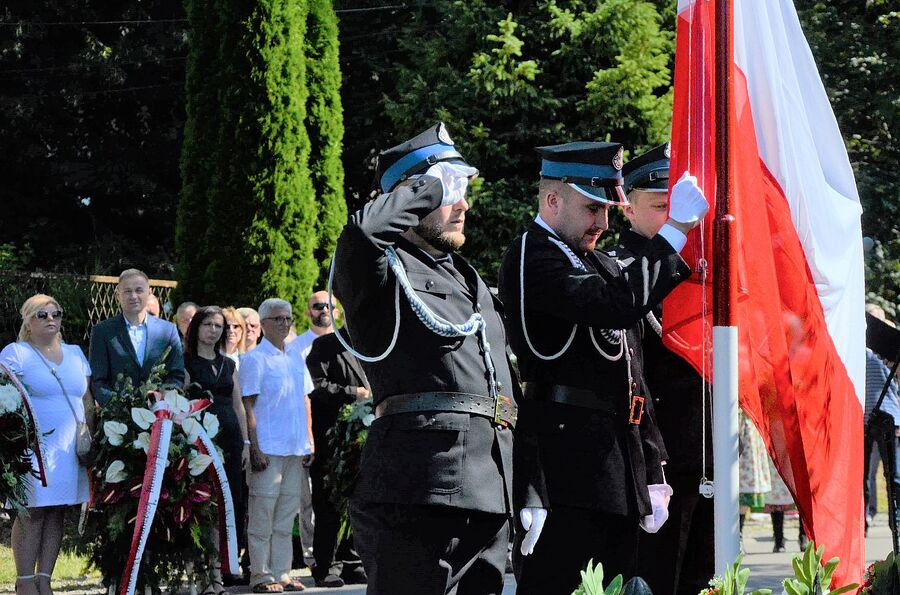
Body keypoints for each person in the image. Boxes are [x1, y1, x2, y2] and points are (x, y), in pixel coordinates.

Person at [497, 141, 708, 594]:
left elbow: (633, 376)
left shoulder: (598, 261)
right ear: (553, 200)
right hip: (562, 468)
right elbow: (613, 306)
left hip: (616, 468)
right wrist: (676, 230)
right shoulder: (532, 254)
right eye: (593, 208)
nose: (604, 223)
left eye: (609, 210)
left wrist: (652, 466)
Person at [332, 123, 522, 594]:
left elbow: (506, 390)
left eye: (463, 189)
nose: (463, 205)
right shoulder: (379, 268)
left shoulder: (467, 277)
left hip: (491, 487)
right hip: (418, 489)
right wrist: (432, 182)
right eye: (450, 192)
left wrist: (529, 488)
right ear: (407, 195)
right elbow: (363, 232)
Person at [611, 143, 714, 594]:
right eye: (659, 207)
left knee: (704, 578)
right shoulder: (620, 270)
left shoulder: (700, 271)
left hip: (707, 456)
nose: (675, 218)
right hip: (654, 462)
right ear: (627, 208)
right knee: (655, 579)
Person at [0, 294, 94, 595]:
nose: (50, 319)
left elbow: (87, 399)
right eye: (42, 315)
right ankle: (25, 582)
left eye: (56, 313)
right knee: (33, 512)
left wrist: (89, 437)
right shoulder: (16, 353)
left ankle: (45, 579)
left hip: (70, 449)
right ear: (27, 322)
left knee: (57, 512)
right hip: (33, 449)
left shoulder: (76, 353)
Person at [240, 298, 314, 593]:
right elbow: (248, 406)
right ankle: (260, 575)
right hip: (268, 449)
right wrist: (254, 447)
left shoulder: (295, 356)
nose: (284, 323)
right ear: (264, 325)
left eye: (287, 318)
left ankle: (282, 573)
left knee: (286, 515)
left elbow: (305, 399)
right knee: (262, 515)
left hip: (295, 447)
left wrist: (309, 440)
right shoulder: (254, 359)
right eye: (278, 319)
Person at [183, 306, 249, 595]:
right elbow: (182, 403)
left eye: (219, 325)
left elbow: (238, 406)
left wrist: (246, 442)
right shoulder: (185, 363)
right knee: (203, 509)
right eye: (207, 324)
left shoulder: (229, 365)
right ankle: (203, 577)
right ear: (196, 327)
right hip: (200, 443)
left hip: (231, 441)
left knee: (226, 507)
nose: (213, 330)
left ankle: (219, 575)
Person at [304, 298, 369, 588]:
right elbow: (318, 388)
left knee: (359, 500)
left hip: (361, 439)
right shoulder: (323, 347)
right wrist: (352, 392)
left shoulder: (369, 349)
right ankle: (326, 565)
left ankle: (353, 561)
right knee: (329, 504)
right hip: (331, 440)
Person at [89, 269, 184, 407]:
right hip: (118, 420)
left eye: (139, 290)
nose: (133, 296)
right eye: (127, 291)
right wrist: (121, 407)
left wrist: (163, 399)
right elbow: (98, 381)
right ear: (117, 295)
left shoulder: (168, 330)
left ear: (149, 293)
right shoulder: (102, 331)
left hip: (160, 414)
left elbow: (176, 374)